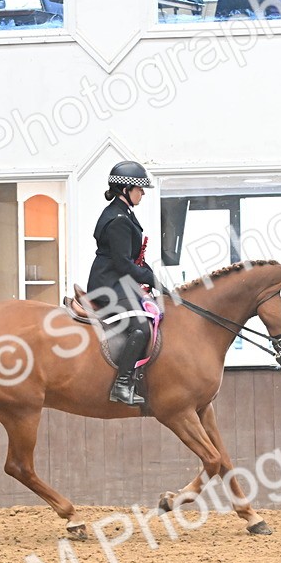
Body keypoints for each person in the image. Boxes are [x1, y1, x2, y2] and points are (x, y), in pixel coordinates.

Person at [88, 161, 163, 405]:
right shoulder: (118, 219)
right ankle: (121, 385)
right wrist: (150, 279)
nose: (142, 194)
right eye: (139, 189)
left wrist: (154, 279)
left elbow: (134, 259)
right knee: (140, 327)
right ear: (126, 189)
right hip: (108, 286)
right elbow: (123, 264)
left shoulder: (124, 213)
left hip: (119, 283)